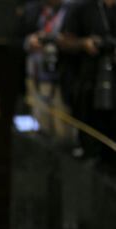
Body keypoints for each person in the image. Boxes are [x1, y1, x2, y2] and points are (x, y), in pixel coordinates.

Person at [60, 0, 116, 160]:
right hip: (87, 83)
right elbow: (63, 41)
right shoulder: (81, 7)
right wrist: (83, 44)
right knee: (91, 139)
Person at [17, 0, 72, 139]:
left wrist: (63, 42)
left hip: (63, 76)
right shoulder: (32, 10)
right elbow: (14, 39)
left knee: (63, 128)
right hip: (36, 76)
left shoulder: (71, 9)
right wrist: (29, 42)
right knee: (41, 124)